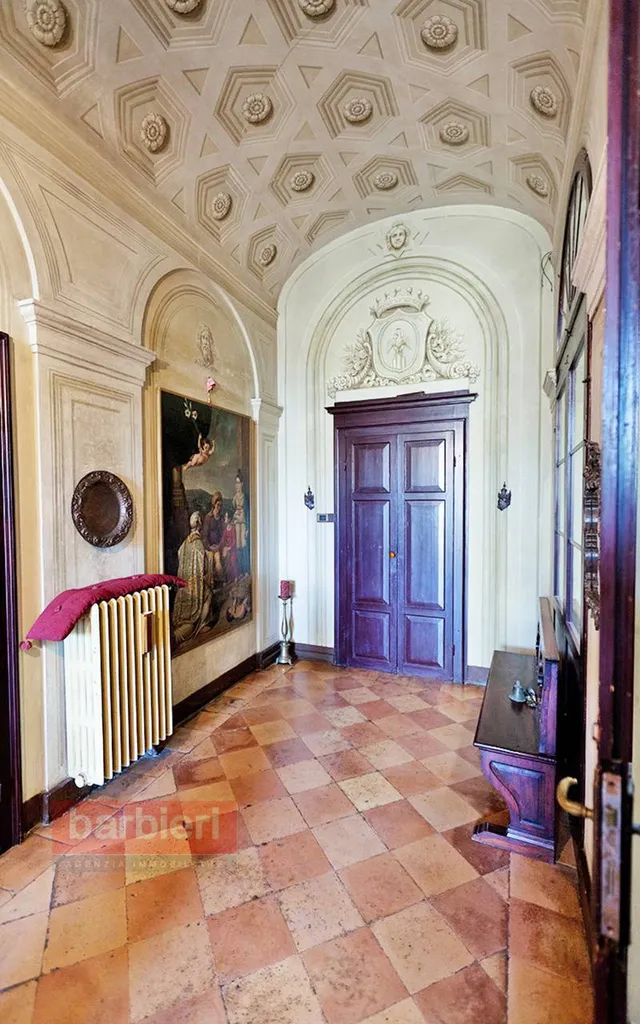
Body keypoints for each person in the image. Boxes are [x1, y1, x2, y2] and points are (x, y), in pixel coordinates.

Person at [172, 511, 211, 643]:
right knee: (209, 593)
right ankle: (202, 624)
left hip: (183, 586)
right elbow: (204, 568)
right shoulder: (198, 544)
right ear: (199, 524)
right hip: (194, 586)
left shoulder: (184, 544)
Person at [203, 490, 225, 577]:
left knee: (219, 557)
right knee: (216, 558)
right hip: (210, 546)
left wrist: (220, 545)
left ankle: (221, 580)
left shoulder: (222, 518)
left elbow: (224, 535)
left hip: (219, 545)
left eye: (221, 505)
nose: (219, 507)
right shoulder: (208, 518)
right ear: (214, 505)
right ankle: (218, 580)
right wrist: (209, 547)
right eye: (218, 505)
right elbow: (204, 536)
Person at [233, 470, 248, 575]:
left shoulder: (244, 497)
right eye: (236, 483)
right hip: (236, 520)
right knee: (237, 545)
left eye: (238, 483)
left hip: (243, 521)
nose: (237, 485)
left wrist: (248, 528)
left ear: (242, 484)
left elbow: (246, 512)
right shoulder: (235, 497)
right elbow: (234, 508)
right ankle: (240, 572)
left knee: (243, 544)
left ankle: (245, 570)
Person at [221, 511, 239, 581]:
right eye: (225, 517)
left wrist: (230, 547)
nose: (225, 518)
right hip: (227, 547)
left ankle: (236, 577)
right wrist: (218, 547)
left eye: (227, 517)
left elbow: (234, 540)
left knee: (232, 561)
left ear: (229, 519)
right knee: (225, 561)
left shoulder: (233, 528)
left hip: (233, 548)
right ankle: (228, 578)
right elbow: (223, 540)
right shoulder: (225, 529)